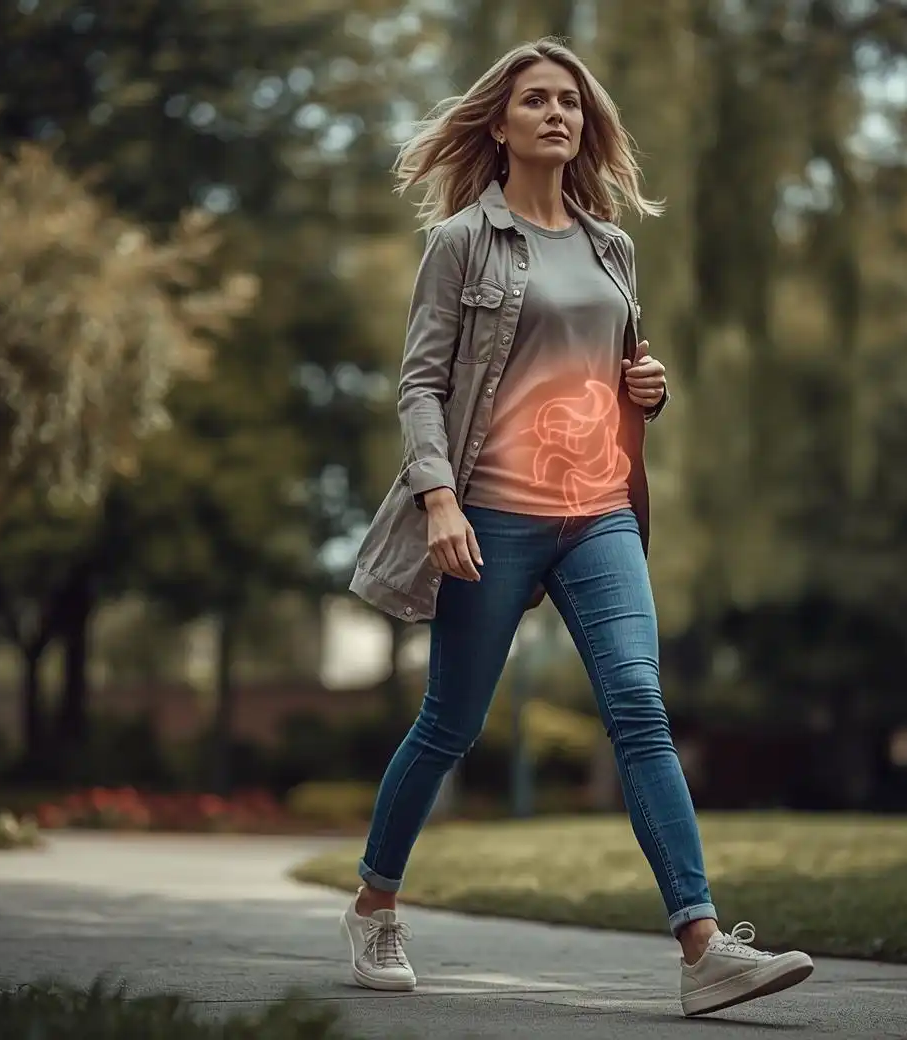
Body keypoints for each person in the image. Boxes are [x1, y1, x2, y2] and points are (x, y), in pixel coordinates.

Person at [342, 37, 814, 1018]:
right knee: (451, 724)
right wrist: (437, 498)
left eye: (571, 101)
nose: (558, 113)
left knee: (639, 706)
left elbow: (606, 377)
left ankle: (701, 944)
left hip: (597, 512)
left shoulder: (611, 246)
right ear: (500, 123)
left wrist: (647, 388)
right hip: (492, 514)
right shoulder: (463, 240)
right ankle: (375, 901)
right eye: (536, 100)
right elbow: (422, 382)